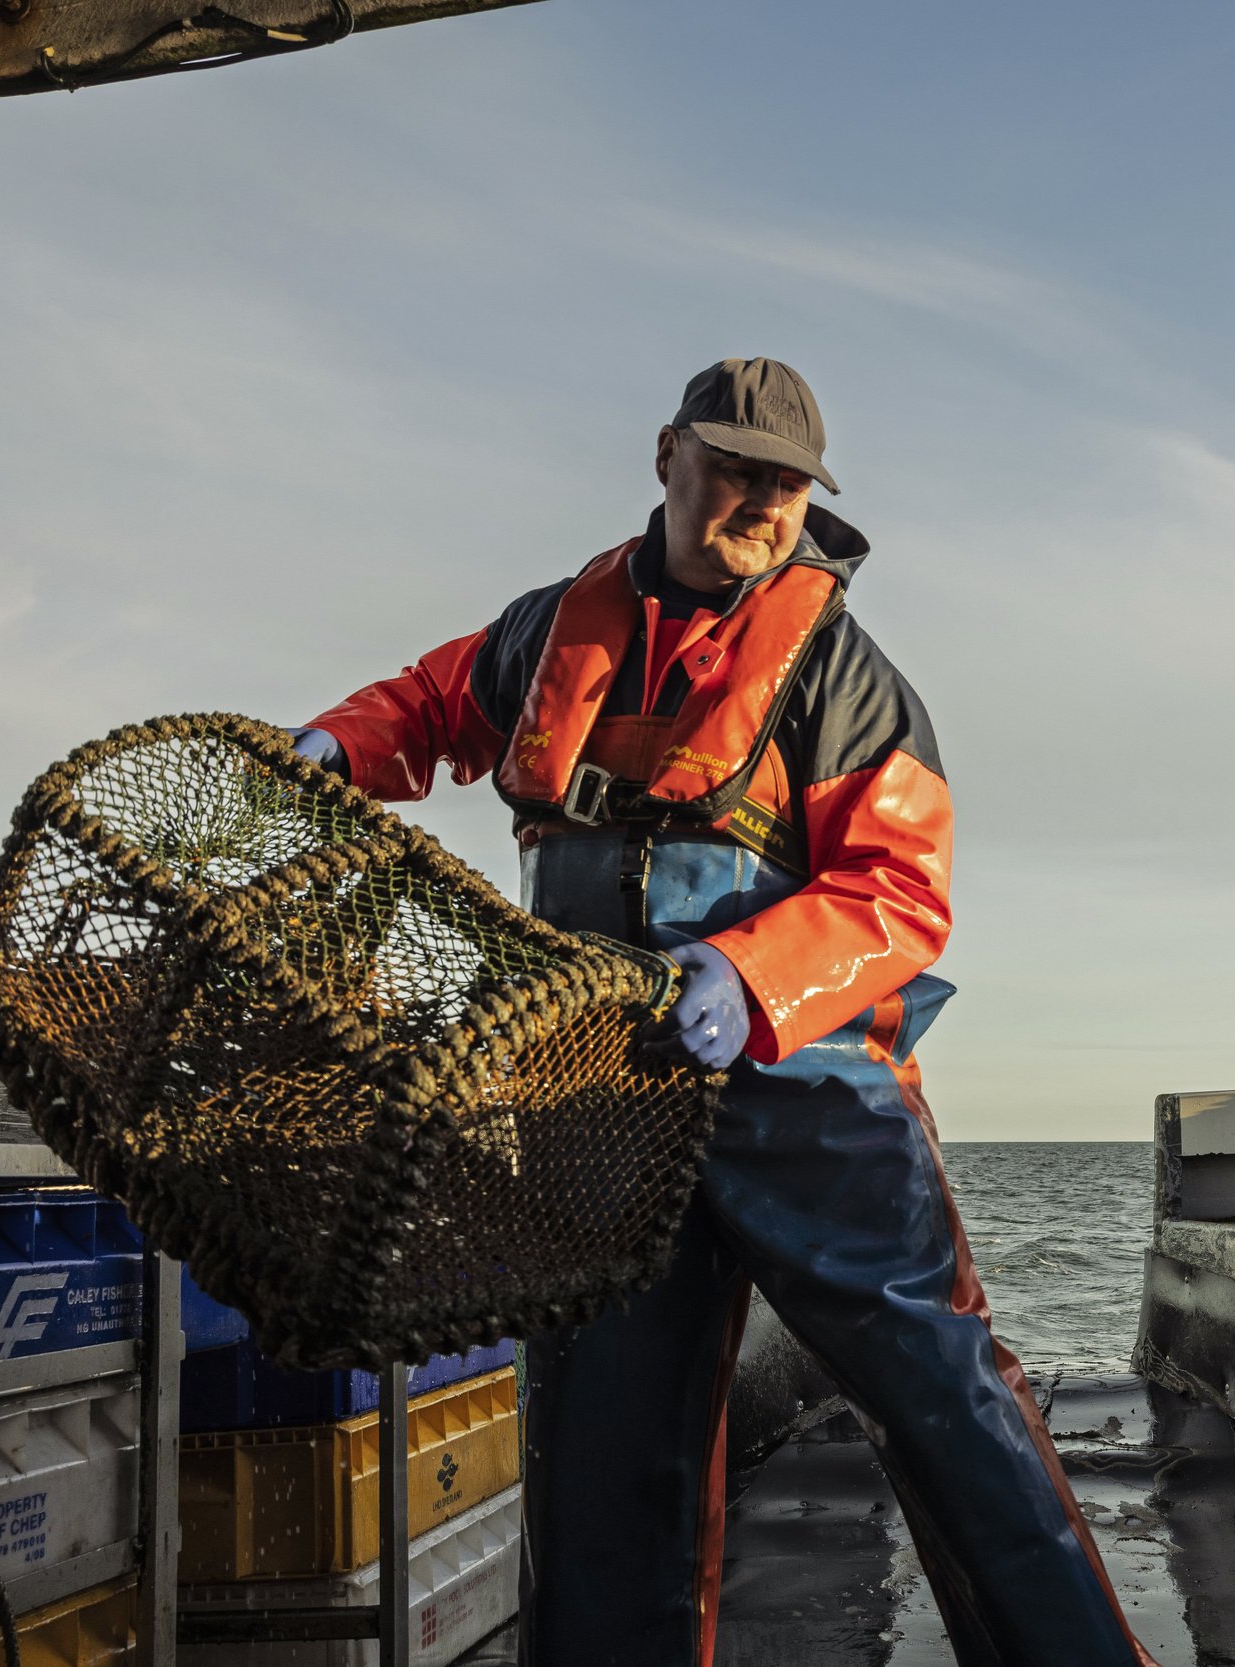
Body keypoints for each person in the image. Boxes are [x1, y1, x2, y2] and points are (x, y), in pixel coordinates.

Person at [291, 358, 1154, 1667]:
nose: (758, 500)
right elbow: (426, 704)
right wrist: (340, 748)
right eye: (734, 466)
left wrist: (748, 977)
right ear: (666, 458)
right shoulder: (544, 631)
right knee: (597, 1443)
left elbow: (900, 897)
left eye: (785, 483)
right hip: (594, 1101)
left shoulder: (850, 679)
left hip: (815, 1103)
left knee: (946, 1401)